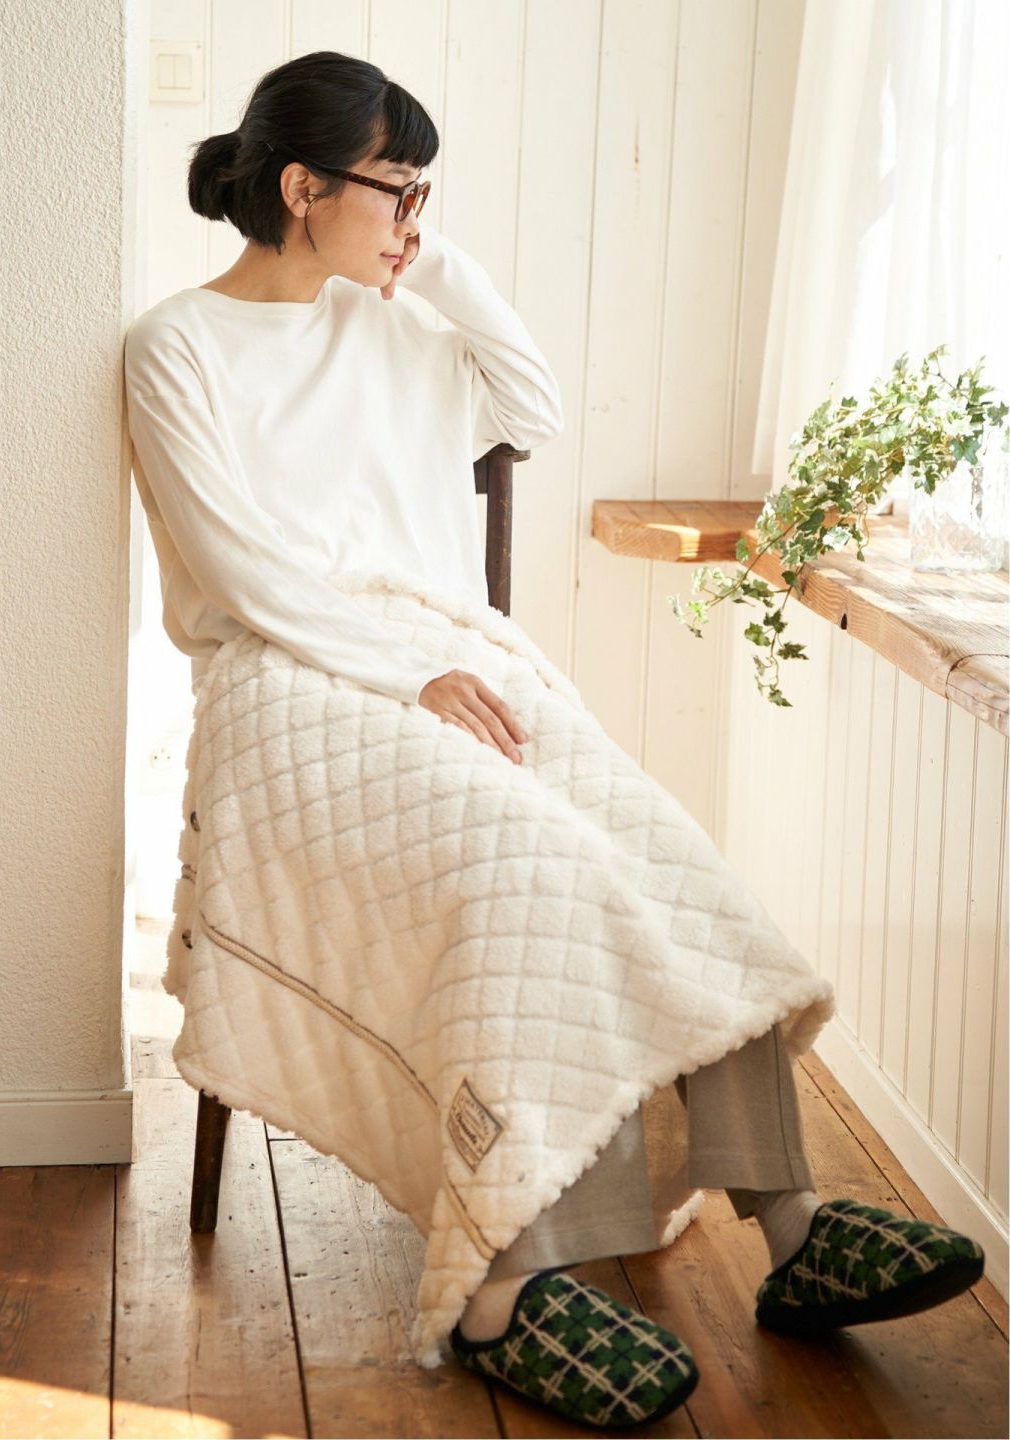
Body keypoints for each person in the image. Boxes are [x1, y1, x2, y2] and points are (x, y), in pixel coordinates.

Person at [122, 48, 985, 1433]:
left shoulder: (394, 326)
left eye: (425, 193)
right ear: (301, 187)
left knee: (665, 854)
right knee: (531, 864)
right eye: (397, 190)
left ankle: (795, 1225)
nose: (414, 218)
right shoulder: (175, 347)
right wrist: (407, 673)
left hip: (451, 657)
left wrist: (431, 263)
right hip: (288, 685)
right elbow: (240, 571)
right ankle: (503, 1291)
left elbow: (530, 408)